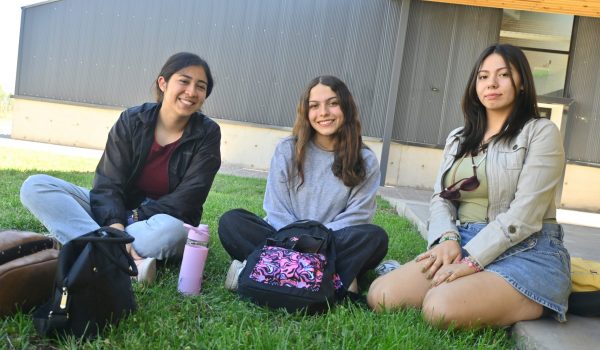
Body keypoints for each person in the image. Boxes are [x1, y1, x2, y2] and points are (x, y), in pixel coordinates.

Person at [367, 44, 570, 328]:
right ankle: (472, 287)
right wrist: (447, 239)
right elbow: (441, 197)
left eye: (504, 75)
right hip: (465, 240)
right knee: (382, 295)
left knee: (439, 308)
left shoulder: (541, 132)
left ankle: (535, 297)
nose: (492, 84)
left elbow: (525, 214)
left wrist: (473, 261)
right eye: (483, 76)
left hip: (527, 250)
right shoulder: (459, 137)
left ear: (521, 82)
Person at [20, 52, 221, 284]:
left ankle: (82, 241)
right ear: (163, 83)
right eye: (184, 81)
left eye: (201, 86)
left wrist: (132, 217)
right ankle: (118, 254)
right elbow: (107, 182)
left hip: (161, 221)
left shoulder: (207, 134)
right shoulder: (132, 120)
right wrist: (115, 225)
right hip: (115, 211)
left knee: (172, 233)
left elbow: (189, 199)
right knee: (36, 186)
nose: (191, 92)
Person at [218, 75, 388, 294]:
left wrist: (314, 241)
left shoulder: (365, 160)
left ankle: (259, 270)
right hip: (283, 235)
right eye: (314, 106)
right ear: (306, 112)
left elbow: (358, 217)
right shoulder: (287, 150)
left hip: (331, 242)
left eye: (333, 103)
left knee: (374, 237)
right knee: (232, 222)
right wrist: (300, 240)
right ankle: (334, 279)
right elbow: (276, 209)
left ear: (346, 107)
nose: (324, 112)